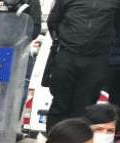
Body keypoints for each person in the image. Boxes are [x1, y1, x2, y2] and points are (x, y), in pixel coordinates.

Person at [45, 0, 120, 130]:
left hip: (97, 59)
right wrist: (64, 41)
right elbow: (53, 22)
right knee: (59, 104)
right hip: (67, 55)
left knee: (84, 109)